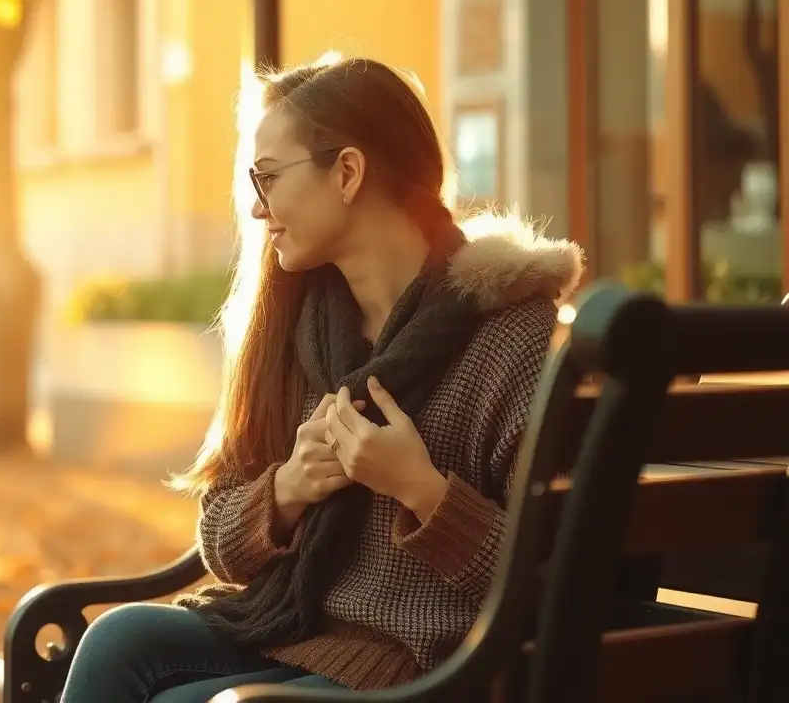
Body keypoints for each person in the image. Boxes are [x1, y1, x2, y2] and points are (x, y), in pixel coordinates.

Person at [60, 57, 583, 703]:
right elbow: (221, 533)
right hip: (295, 633)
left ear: (347, 173)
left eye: (269, 178)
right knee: (119, 640)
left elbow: (555, 584)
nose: (257, 208)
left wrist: (421, 490)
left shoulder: (511, 337)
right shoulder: (297, 325)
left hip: (436, 668)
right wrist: (285, 490)